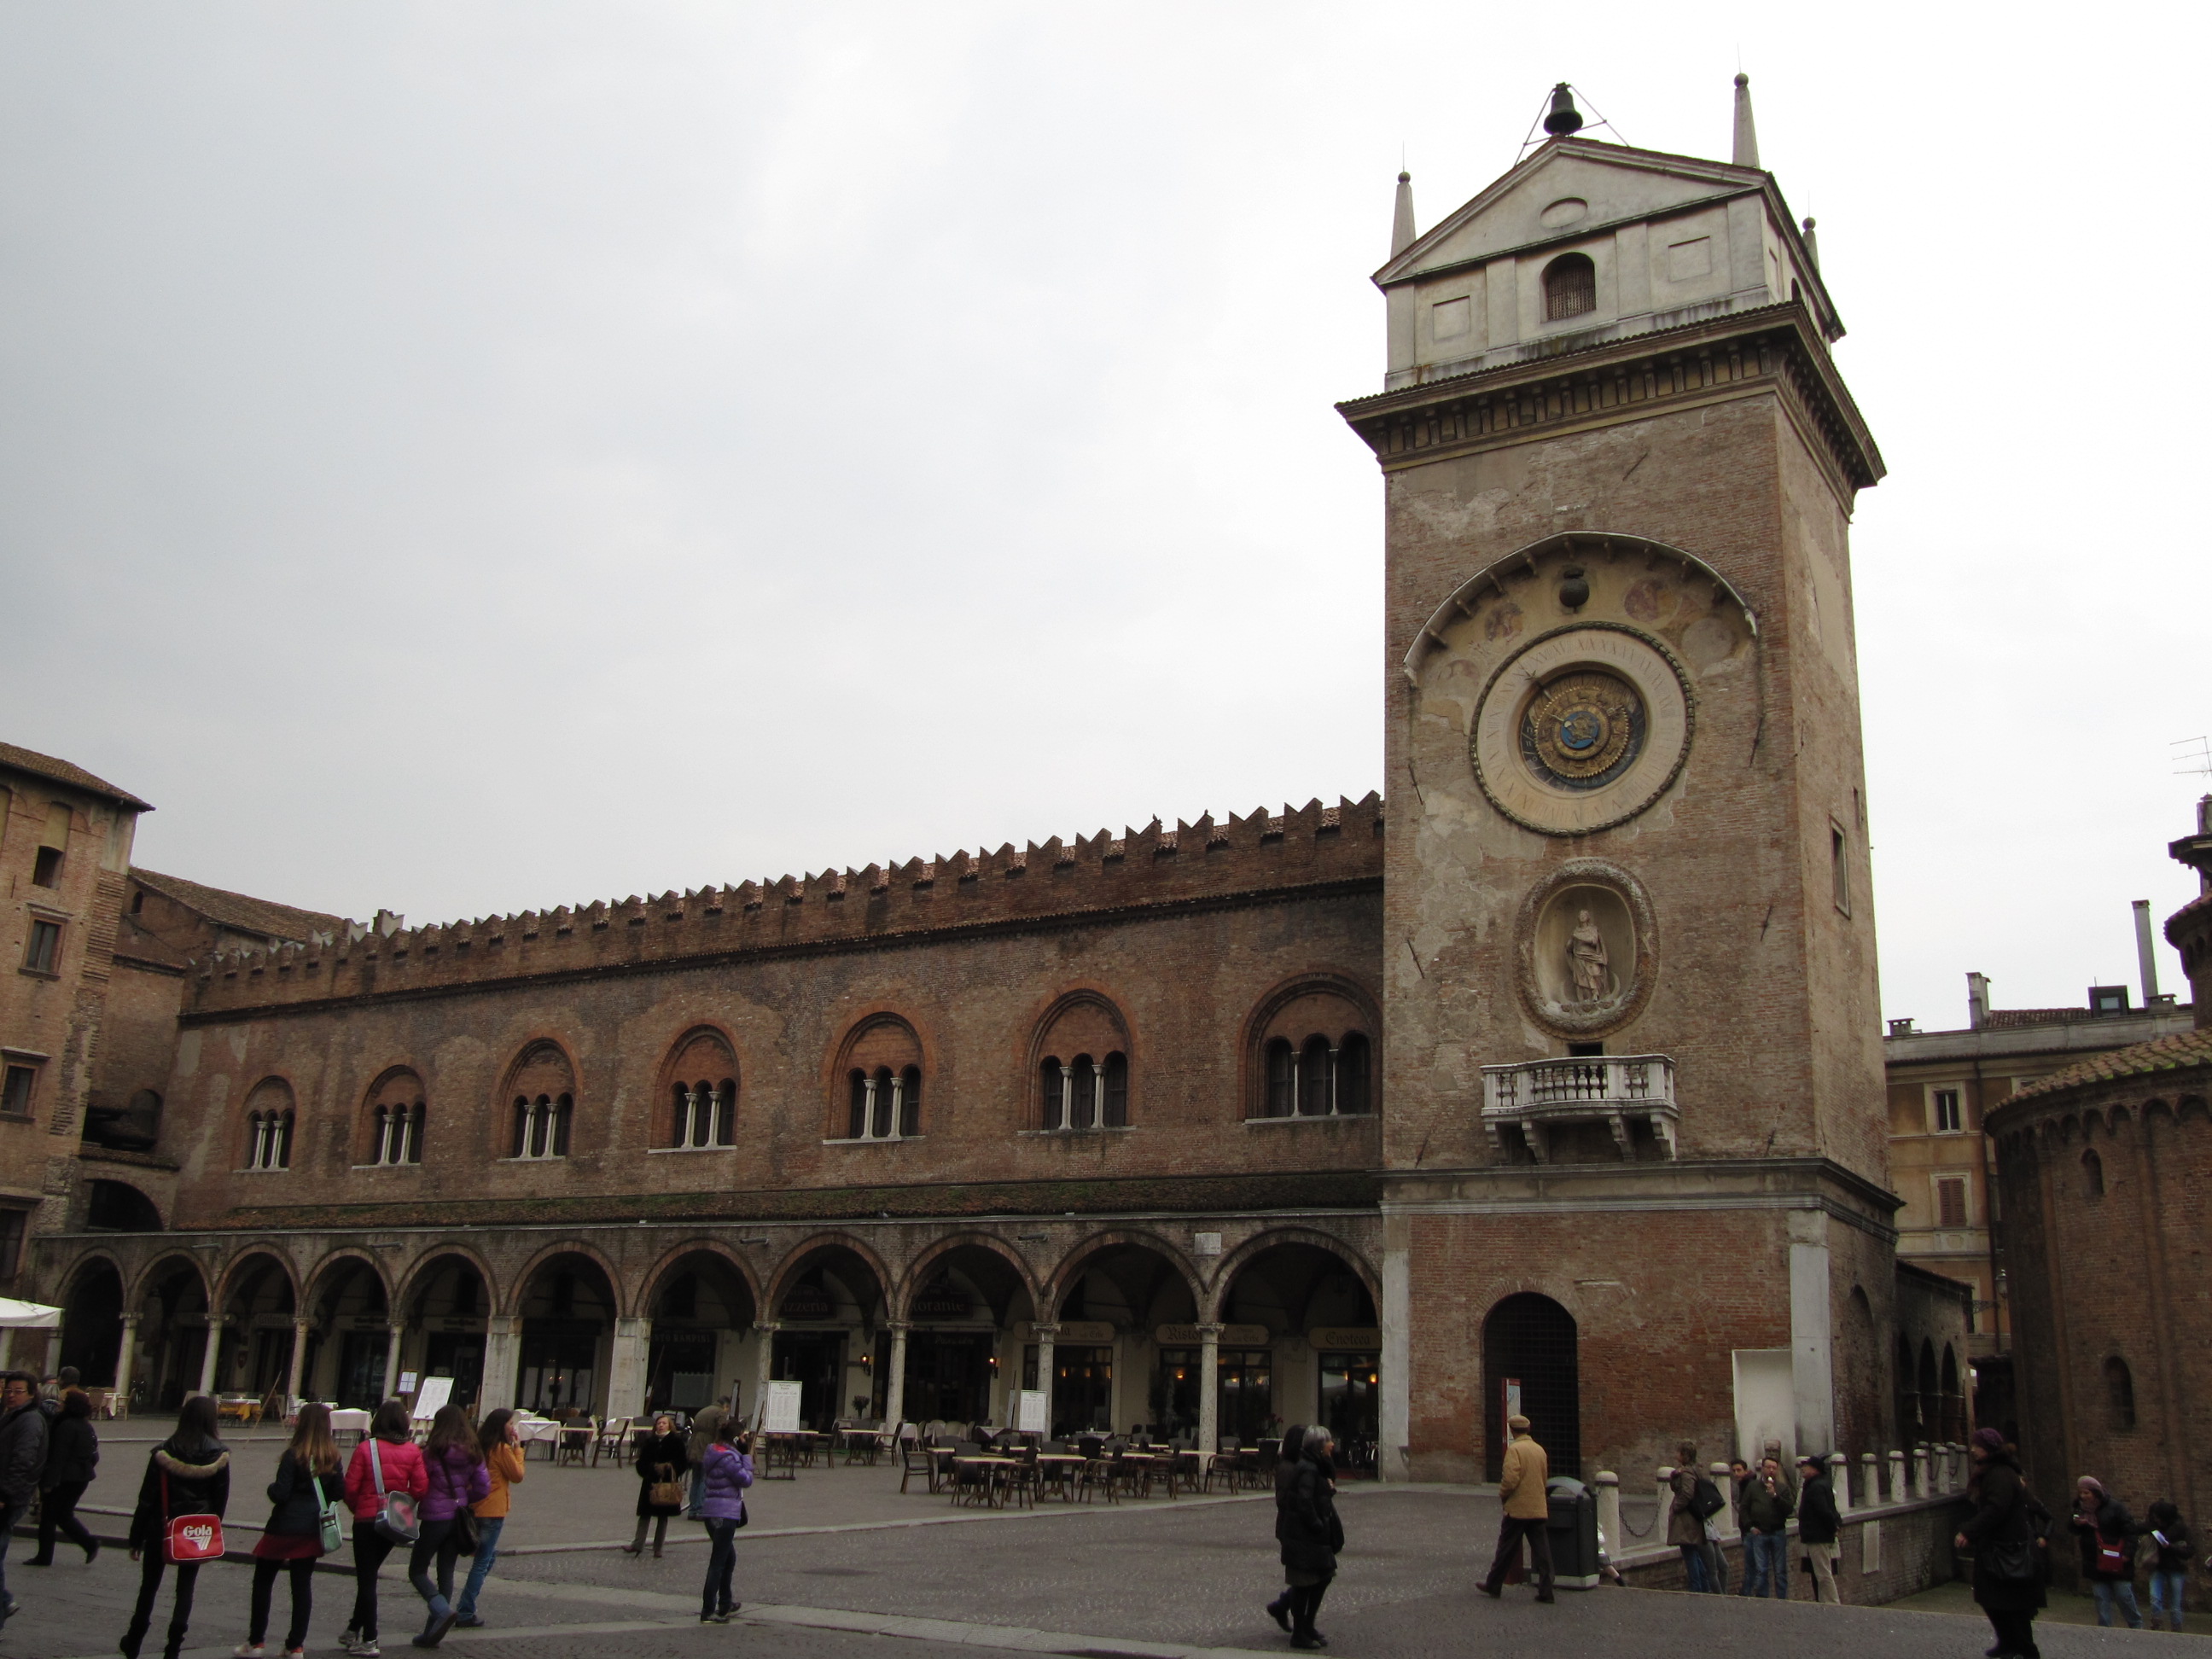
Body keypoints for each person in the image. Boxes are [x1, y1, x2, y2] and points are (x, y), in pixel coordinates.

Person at [120, 1395, 230, 1659]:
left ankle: (135, 1639)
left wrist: (136, 1538)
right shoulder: (219, 1454)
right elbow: (220, 1500)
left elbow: (147, 1498)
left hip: (161, 1524)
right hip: (196, 1528)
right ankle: (174, 1646)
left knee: (149, 1585)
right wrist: (211, 1531)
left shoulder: (164, 1451)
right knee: (186, 1588)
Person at [236, 1401, 344, 1658]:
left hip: (283, 1526)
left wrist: (271, 1489)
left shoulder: (293, 1455)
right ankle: (295, 1645)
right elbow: (339, 1493)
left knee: (263, 1582)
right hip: (310, 1529)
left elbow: (281, 1494)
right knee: (302, 1586)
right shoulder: (333, 1457)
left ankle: (256, 1642)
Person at [341, 1400, 428, 1658]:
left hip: (366, 1520)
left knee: (367, 1579)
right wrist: (403, 1504)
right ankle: (352, 1629)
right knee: (370, 1574)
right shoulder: (413, 1451)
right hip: (393, 1521)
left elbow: (350, 1488)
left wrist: (358, 1508)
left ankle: (370, 1639)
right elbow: (421, 1488)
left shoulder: (366, 1449)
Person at [1957, 1427, 2046, 1659]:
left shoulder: (2000, 1474)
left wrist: (1968, 1531)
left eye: (1977, 1446)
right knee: (1992, 1599)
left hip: (2009, 1551)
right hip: (1998, 1549)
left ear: (1988, 1448)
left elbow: (1996, 1508)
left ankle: (2025, 1650)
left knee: (2012, 1606)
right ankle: (2007, 1643)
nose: (1973, 1450)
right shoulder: (1995, 1472)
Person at [407, 1403, 490, 1649]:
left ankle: (440, 1609)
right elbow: (484, 1487)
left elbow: (420, 1483)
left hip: (435, 1516)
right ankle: (431, 1632)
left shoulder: (432, 1452)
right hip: (457, 1517)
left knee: (417, 1570)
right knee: (446, 1570)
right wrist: (465, 1500)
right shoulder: (473, 1451)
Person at [454, 1409, 525, 1629]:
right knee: (482, 1561)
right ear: (501, 1426)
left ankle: (465, 1607)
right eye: (510, 1424)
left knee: (487, 1556)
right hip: (493, 1510)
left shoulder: (479, 1447)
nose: (513, 1427)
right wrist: (518, 1449)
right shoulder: (501, 1449)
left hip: (476, 1507)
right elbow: (517, 1475)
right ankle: (465, 1610)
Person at [1274, 1425, 1342, 1647]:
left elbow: (1314, 1493)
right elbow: (1301, 1502)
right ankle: (1300, 1630)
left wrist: (1327, 1489)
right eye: (1329, 1441)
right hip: (1303, 1535)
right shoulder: (1304, 1468)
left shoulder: (1315, 1466)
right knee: (1304, 1582)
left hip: (1312, 1536)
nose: (1333, 1444)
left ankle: (1304, 1625)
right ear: (1318, 1446)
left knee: (1322, 1577)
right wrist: (1317, 1524)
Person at [1478, 1414, 1551, 1604]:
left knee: (1506, 1549)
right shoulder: (1539, 1450)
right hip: (1537, 1507)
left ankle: (1494, 1584)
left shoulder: (1515, 1450)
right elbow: (1544, 1477)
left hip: (1518, 1508)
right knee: (1542, 1551)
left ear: (1512, 1430)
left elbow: (1510, 1479)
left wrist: (1503, 1494)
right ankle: (1546, 1590)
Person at [0, 1370, 50, 1627]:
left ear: (31, 1394)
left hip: (9, 1497)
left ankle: (4, 1605)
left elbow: (23, 1460)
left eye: (18, 1391)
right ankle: (5, 1600)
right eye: (8, 1391)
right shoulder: (13, 1416)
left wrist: (5, 1494)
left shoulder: (29, 1420)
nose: (11, 1396)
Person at [28, 1387, 99, 1566]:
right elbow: (94, 1455)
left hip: (65, 1478)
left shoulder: (66, 1425)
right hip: (80, 1477)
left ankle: (46, 1555)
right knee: (62, 1515)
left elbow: (58, 1457)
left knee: (50, 1518)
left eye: (63, 1402)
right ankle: (88, 1543)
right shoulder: (85, 1425)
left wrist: (49, 1483)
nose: (59, 1405)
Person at [695, 1421, 754, 1625]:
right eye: (744, 1437)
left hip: (712, 1510)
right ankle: (708, 1609)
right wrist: (746, 1455)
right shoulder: (728, 1458)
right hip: (724, 1512)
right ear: (736, 1438)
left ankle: (726, 1601)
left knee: (729, 1558)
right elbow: (746, 1479)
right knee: (718, 1563)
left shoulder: (714, 1451)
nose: (746, 1440)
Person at [2072, 1475, 2143, 1628]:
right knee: (2100, 1597)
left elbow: (2131, 1531)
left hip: (2117, 1558)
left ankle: (2136, 1624)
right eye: (2081, 1493)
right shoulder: (2080, 1508)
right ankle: (2105, 1630)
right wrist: (2077, 1524)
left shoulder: (2115, 1507)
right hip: (2095, 1560)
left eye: (2087, 1493)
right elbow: (2072, 1530)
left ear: (2095, 1492)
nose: (2083, 1496)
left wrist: (2127, 1554)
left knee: (2123, 1595)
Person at [625, 1412, 689, 1557]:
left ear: (669, 1426)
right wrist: (649, 1470)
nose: (661, 1425)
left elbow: (683, 1462)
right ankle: (638, 1544)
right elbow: (641, 1462)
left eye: (664, 1423)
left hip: (667, 1483)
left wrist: (670, 1467)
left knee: (662, 1516)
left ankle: (658, 1547)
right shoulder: (650, 1441)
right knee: (645, 1514)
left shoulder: (676, 1441)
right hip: (650, 1482)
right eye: (659, 1423)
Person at [1263, 1426, 1307, 1631]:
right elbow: (1282, 1500)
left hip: (1298, 1527)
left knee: (1309, 1578)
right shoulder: (1287, 1469)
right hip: (1291, 1529)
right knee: (1305, 1578)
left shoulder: (1299, 1466)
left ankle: (1281, 1606)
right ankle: (1294, 1619)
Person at [1738, 1455, 1794, 1598]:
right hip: (1759, 1533)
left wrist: (1775, 1496)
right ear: (1762, 1469)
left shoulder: (1782, 1488)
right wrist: (1750, 1526)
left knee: (1780, 1570)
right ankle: (1763, 1599)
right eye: (1768, 1467)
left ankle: (1782, 1599)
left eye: (1774, 1468)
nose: (1771, 1470)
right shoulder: (1753, 1487)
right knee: (1761, 1569)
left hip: (1777, 1532)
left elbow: (1789, 1509)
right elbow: (1744, 1508)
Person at [1665, 1442, 1713, 1592]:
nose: (1676, 1455)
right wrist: (1674, 1476)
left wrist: (1676, 1507)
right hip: (1691, 1519)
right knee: (1694, 1554)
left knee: (1690, 1554)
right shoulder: (1691, 1471)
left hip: (1686, 1521)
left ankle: (1697, 1588)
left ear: (1684, 1455)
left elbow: (1687, 1493)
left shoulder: (1687, 1473)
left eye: (1678, 1452)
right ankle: (1704, 1588)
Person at [1796, 1453, 1841, 1604]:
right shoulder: (1822, 1484)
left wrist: (1831, 1527)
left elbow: (1823, 1511)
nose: (1803, 1469)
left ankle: (1832, 1603)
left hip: (1817, 1535)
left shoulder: (1815, 1487)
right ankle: (1824, 1602)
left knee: (1823, 1573)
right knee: (1822, 1571)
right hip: (1820, 1533)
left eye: (1806, 1466)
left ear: (1815, 1470)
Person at [2145, 1500, 2191, 1632]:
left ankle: (2176, 1627)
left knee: (2175, 1602)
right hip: (2158, 1567)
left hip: (2176, 1568)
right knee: (2155, 1598)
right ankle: (2156, 1623)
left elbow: (2189, 1551)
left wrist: (2170, 1547)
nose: (2156, 1520)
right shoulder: (2153, 1527)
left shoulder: (2181, 1528)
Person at [684, 1400, 728, 1519]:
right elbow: (721, 1431)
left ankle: (693, 1509)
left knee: (696, 1479)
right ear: (726, 1406)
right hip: (707, 1448)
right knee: (705, 1479)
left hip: (695, 1447)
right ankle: (700, 1509)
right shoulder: (720, 1413)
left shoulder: (703, 1411)